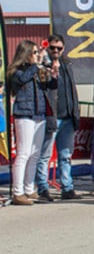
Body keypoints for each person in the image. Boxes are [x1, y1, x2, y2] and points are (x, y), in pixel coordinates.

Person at [8, 40, 56, 205]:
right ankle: (18, 192)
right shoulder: (16, 70)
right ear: (26, 53)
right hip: (24, 114)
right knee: (23, 154)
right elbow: (22, 79)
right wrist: (37, 65)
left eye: (37, 52)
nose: (37, 55)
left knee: (35, 154)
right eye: (34, 52)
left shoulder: (37, 70)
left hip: (39, 114)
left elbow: (49, 86)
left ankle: (29, 189)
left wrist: (53, 75)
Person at [35, 34, 81, 201]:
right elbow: (42, 86)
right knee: (45, 155)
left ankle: (67, 188)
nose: (55, 51)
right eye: (52, 48)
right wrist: (47, 69)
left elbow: (72, 90)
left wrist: (76, 112)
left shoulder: (67, 64)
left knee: (65, 155)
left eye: (59, 48)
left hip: (68, 116)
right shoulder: (42, 65)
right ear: (48, 48)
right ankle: (42, 187)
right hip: (52, 116)